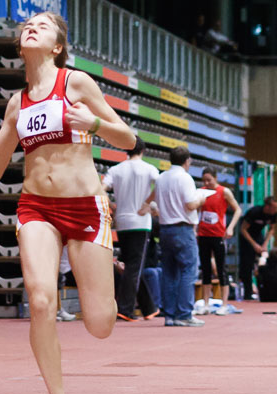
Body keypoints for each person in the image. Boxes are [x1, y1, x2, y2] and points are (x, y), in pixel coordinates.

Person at [0, 11, 136, 394]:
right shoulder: (18, 103)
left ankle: (106, 288)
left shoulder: (75, 83)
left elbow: (129, 140)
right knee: (41, 302)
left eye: (42, 24)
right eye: (26, 26)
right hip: (36, 207)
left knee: (100, 323)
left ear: (57, 45)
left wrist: (92, 123)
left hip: (85, 207)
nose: (30, 27)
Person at [102, 138, 160, 321]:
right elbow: (160, 186)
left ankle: (149, 308)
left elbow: (100, 188)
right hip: (140, 221)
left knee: (132, 265)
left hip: (122, 221)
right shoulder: (149, 168)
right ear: (143, 150)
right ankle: (124, 309)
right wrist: (148, 203)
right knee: (134, 266)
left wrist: (112, 205)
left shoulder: (115, 169)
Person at [156, 146, 208, 327]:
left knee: (169, 272)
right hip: (183, 229)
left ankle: (169, 315)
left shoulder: (161, 177)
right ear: (188, 161)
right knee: (188, 271)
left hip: (165, 229)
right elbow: (191, 205)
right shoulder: (185, 178)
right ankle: (184, 313)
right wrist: (201, 198)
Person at [195, 167, 242, 315]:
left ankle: (225, 304)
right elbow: (196, 210)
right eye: (204, 180)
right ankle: (206, 304)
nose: (207, 183)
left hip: (218, 235)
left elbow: (238, 210)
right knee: (206, 270)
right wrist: (195, 228)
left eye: (209, 180)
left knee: (221, 269)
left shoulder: (224, 192)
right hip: (203, 234)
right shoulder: (201, 191)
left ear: (216, 178)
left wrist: (231, 227)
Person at [238, 196, 277, 299]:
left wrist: (265, 244)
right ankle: (248, 293)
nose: (276, 210)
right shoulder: (254, 212)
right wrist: (254, 244)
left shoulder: (273, 215)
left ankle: (265, 290)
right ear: (267, 206)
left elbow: (271, 230)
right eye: (274, 207)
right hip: (247, 237)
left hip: (258, 236)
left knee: (264, 259)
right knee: (247, 265)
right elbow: (243, 229)